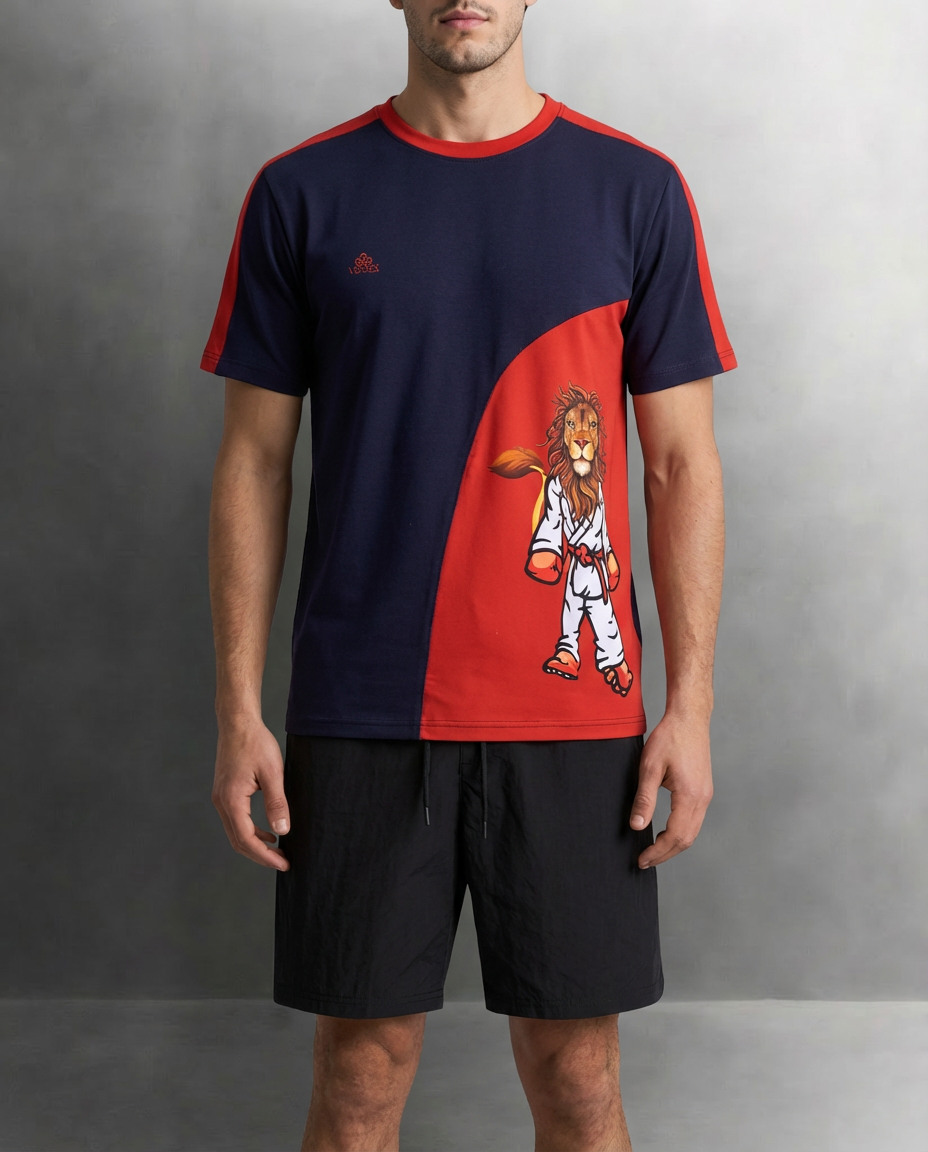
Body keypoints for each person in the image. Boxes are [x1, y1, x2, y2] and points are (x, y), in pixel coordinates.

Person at [203, 2, 735, 1148]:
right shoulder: (302, 192)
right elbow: (253, 462)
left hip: (574, 711)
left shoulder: (633, 189)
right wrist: (238, 708)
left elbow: (680, 465)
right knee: (359, 1074)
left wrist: (689, 707)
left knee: (577, 1074)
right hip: (363, 706)